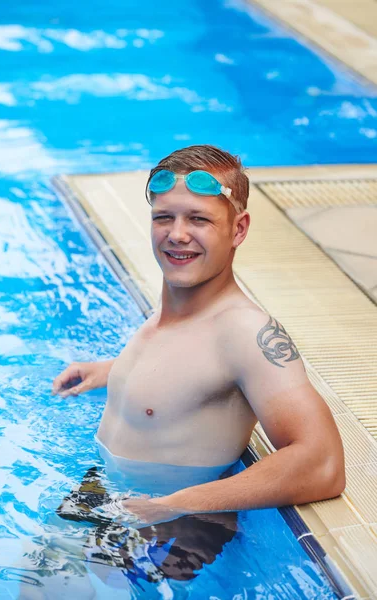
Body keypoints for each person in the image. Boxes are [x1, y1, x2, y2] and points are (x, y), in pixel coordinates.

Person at [52, 144, 345, 528]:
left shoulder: (247, 332)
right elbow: (189, 372)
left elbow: (323, 463)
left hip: (164, 529)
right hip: (106, 495)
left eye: (198, 220)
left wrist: (173, 506)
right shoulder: (178, 306)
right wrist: (114, 370)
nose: (177, 235)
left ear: (238, 229)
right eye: (164, 218)